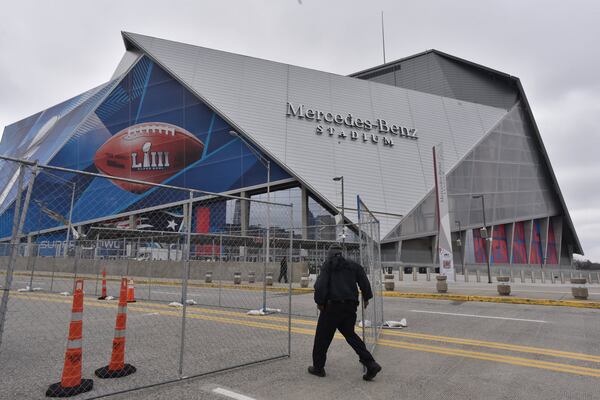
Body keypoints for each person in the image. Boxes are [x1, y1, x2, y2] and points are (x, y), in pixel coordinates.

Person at [308, 244, 382, 381]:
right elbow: (364, 281)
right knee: (351, 335)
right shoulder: (353, 265)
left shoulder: (328, 265)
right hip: (350, 307)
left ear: (330, 254)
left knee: (322, 338)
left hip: (331, 308)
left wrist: (319, 302)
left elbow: (320, 285)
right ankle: (370, 363)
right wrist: (366, 296)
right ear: (342, 254)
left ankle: (318, 368)